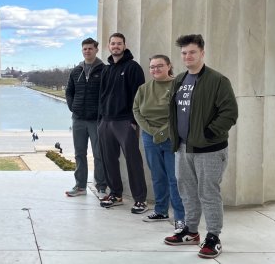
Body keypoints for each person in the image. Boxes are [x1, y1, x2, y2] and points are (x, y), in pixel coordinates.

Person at [163, 34, 238, 259]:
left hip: (210, 149)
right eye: (184, 53)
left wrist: (208, 133)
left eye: (192, 52)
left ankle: (213, 236)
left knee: (208, 193)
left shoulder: (218, 80)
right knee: (186, 191)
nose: (187, 56)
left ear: (202, 53)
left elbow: (230, 112)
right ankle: (191, 231)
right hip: (183, 148)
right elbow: (175, 112)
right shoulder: (179, 80)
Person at [97, 32, 148, 214]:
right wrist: (100, 120)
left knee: (133, 161)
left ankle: (140, 199)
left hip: (125, 122)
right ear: (109, 46)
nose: (116, 46)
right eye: (113, 43)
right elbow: (101, 97)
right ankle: (115, 194)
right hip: (106, 122)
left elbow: (139, 97)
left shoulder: (133, 68)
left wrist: (134, 122)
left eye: (119, 43)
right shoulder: (106, 69)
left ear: (124, 46)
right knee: (109, 160)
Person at [133, 55, 185, 228]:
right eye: (152, 67)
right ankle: (161, 210)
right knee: (157, 176)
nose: (155, 70)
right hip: (149, 137)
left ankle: (180, 217)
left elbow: (181, 112)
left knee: (174, 178)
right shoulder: (144, 88)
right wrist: (152, 131)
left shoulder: (179, 86)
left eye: (159, 66)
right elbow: (136, 111)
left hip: (172, 136)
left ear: (169, 66)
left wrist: (163, 132)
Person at [65, 37, 107, 197]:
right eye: (85, 49)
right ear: (82, 51)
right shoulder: (76, 71)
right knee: (79, 153)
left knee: (99, 154)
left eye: (90, 48)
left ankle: (101, 186)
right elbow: (69, 92)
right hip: (78, 119)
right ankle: (80, 186)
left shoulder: (104, 70)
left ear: (96, 50)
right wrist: (72, 107)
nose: (87, 51)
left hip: (96, 120)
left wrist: (101, 112)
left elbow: (107, 94)